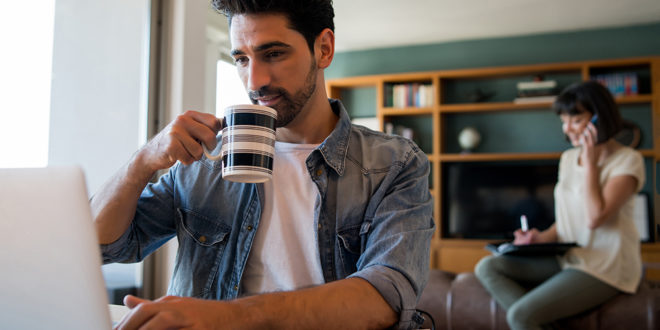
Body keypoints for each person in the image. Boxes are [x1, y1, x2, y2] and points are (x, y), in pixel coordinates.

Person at [92, 0, 434, 329]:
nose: (254, 82)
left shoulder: (394, 164)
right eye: (241, 59)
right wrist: (143, 161)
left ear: (324, 49)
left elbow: (385, 297)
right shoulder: (206, 161)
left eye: (273, 54)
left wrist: (228, 318)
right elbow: (103, 245)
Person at [474, 80, 646, 329]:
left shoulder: (628, 161)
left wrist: (590, 165)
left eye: (575, 121)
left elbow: (594, 218)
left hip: (605, 266)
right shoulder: (568, 159)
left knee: (520, 316)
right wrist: (539, 238)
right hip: (569, 258)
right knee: (488, 266)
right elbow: (569, 219)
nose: (568, 130)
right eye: (564, 121)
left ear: (600, 118)